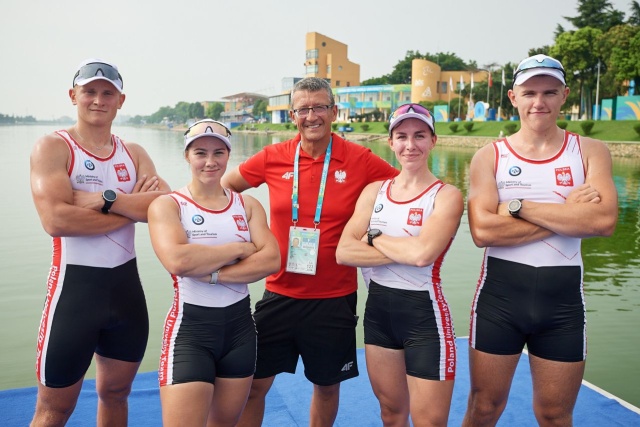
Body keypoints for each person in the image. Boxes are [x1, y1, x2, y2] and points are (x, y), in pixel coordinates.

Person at [222, 77, 398, 427]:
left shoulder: (359, 159)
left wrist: (376, 237)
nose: (311, 115)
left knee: (327, 387)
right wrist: (244, 239)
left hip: (334, 298)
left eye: (319, 107)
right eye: (303, 109)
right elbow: (225, 190)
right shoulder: (273, 157)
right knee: (254, 386)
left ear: (334, 111)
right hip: (279, 292)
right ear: (292, 115)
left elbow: (405, 190)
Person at [462, 54, 618, 426]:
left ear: (564, 95)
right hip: (499, 302)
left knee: (554, 414)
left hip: (562, 307)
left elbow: (604, 221)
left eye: (549, 92)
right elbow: (483, 232)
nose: (539, 103)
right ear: (513, 97)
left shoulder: (590, 151)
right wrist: (569, 213)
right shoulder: (490, 156)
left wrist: (515, 206)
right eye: (529, 93)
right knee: (484, 409)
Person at [29, 58, 170, 426]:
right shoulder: (53, 147)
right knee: (54, 410)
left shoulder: (134, 153)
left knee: (116, 395)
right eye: (89, 91)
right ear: (72, 95)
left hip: (126, 296)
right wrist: (135, 208)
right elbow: (56, 220)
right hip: (73, 296)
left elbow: (166, 209)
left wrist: (106, 199)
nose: (97, 99)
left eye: (108, 93)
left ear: (120, 101)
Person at [147, 119, 280, 426]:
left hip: (240, 331)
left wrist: (213, 274)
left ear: (228, 156)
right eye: (200, 153)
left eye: (218, 153)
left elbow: (271, 259)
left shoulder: (247, 205)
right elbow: (179, 261)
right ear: (186, 156)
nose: (210, 161)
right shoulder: (168, 205)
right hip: (191, 332)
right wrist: (239, 249)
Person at [336, 104, 462, 426]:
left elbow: (423, 255)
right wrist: (404, 248)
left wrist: (373, 236)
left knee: (429, 422)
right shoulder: (374, 192)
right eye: (402, 136)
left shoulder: (446, 196)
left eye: (419, 135)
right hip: (378, 317)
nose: (410, 145)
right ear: (390, 142)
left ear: (433, 140)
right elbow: (344, 252)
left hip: (425, 319)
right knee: (391, 415)